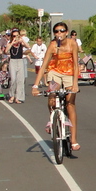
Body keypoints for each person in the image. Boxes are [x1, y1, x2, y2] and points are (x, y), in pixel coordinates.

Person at [32, 22, 80, 151]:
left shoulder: (72, 44)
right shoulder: (53, 45)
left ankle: (74, 139)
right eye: (56, 31)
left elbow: (76, 65)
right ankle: (52, 119)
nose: (59, 33)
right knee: (52, 95)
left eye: (62, 31)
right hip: (55, 72)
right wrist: (35, 85)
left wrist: (75, 84)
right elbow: (43, 66)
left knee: (70, 103)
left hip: (70, 73)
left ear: (66, 32)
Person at [6, 29, 30, 104]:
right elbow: (6, 51)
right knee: (13, 79)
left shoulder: (21, 43)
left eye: (17, 36)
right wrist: (12, 42)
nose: (15, 37)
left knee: (20, 80)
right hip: (12, 61)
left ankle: (18, 97)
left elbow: (28, 47)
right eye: (14, 36)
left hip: (20, 61)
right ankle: (12, 95)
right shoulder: (9, 43)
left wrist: (22, 40)